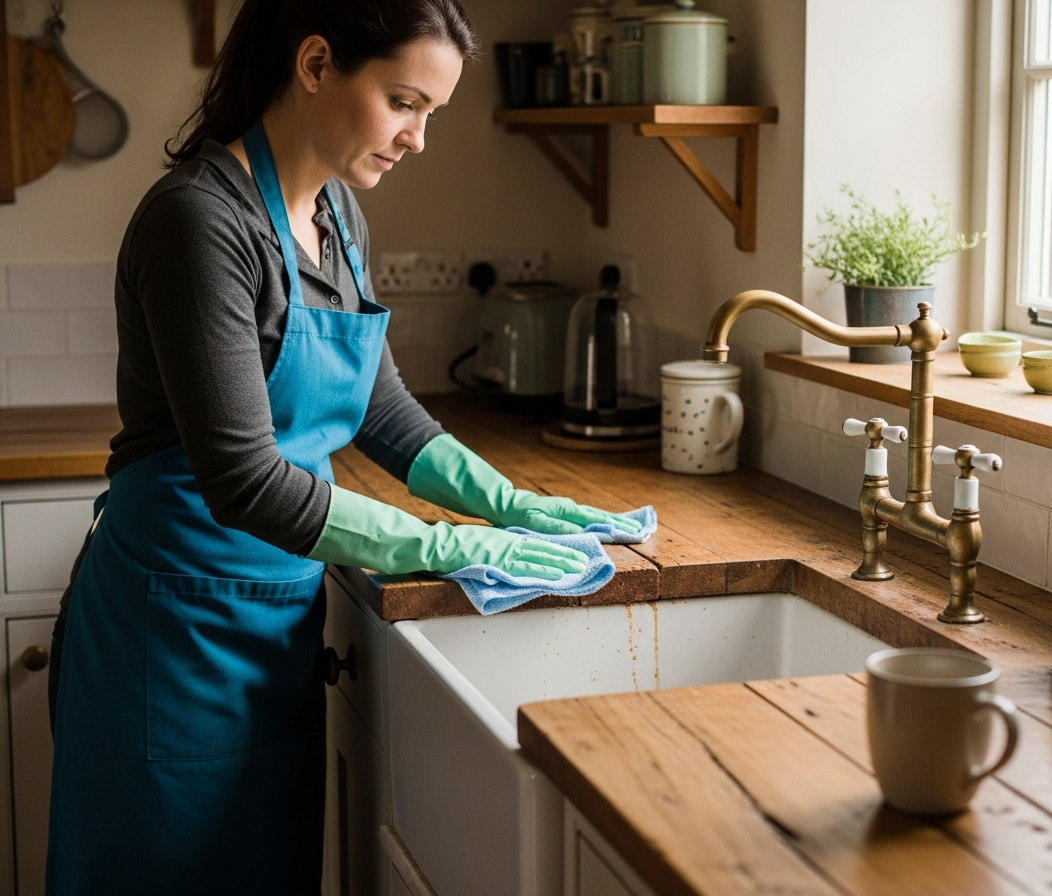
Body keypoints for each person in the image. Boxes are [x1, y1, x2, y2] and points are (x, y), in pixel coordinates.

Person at [44, 1, 639, 892]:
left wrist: (508, 504)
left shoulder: (338, 218)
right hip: (168, 633)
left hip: (275, 621)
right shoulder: (200, 223)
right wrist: (449, 544)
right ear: (316, 64)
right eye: (406, 102)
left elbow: (382, 410)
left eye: (430, 113)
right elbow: (245, 481)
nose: (418, 139)